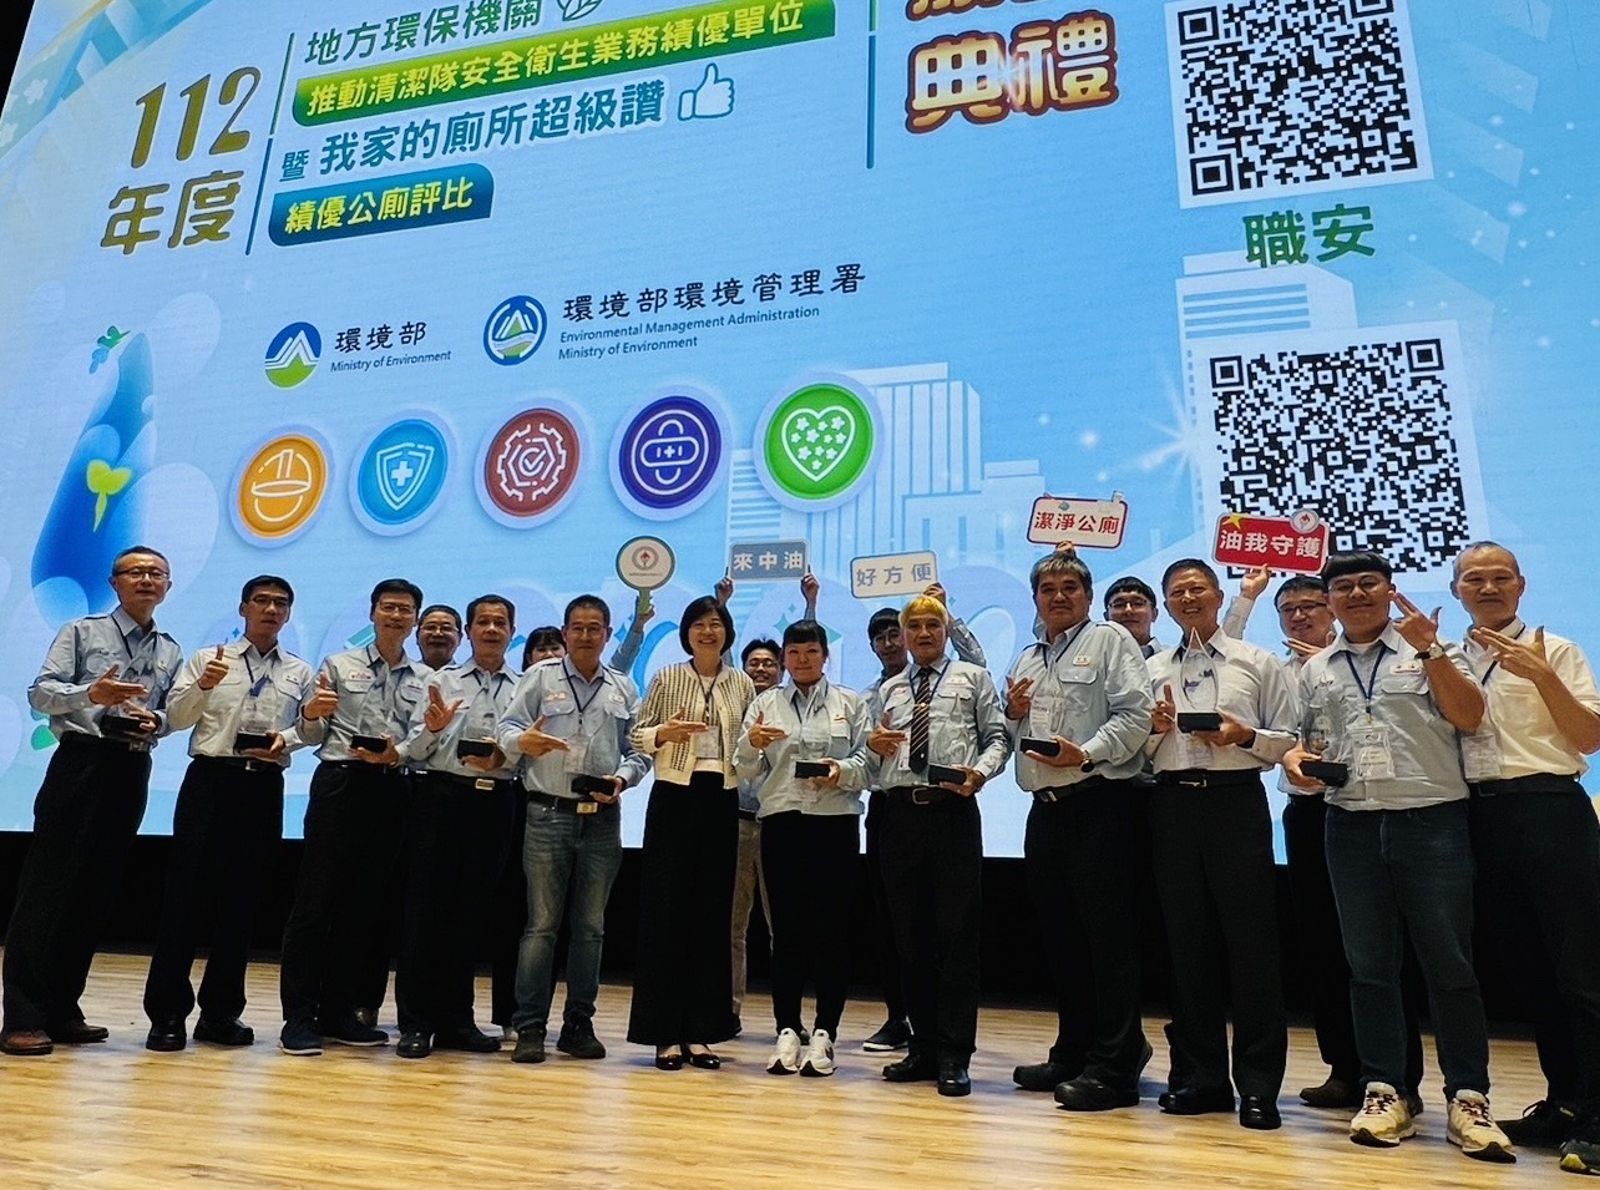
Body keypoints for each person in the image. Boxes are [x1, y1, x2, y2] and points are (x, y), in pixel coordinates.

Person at [1284, 551, 1512, 1160]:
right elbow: (1306, 741)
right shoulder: (1316, 667)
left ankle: (1469, 1097)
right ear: (1330, 600)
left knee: (1450, 967)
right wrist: (1297, 760)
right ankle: (1387, 1089)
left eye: (1369, 583)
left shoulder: (1433, 648)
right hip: (1349, 825)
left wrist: (1430, 650)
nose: (1357, 594)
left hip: (1431, 822)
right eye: (1344, 587)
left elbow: (1469, 715)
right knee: (1369, 968)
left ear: (1390, 590)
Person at [1452, 542, 1600, 1174]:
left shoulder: (1556, 649)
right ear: (1457, 590)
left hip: (1550, 808)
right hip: (1480, 816)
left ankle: (1598, 1115)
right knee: (1530, 972)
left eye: (1500, 578)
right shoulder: (1446, 658)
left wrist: (1541, 676)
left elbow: (1589, 736)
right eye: (1474, 579)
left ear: (1521, 585)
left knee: (1581, 973)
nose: (1488, 588)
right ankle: (1563, 1102)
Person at [1, 546, 183, 1056]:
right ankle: (22, 1016)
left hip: (133, 766)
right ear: (114, 582)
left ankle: (62, 1010)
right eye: (136, 572)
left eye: (156, 573)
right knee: (49, 890)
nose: (146, 580)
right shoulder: (82, 632)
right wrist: (90, 695)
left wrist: (157, 722)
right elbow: (40, 694)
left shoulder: (170, 649)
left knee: (95, 892)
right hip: (81, 763)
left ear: (168, 586)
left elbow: (170, 712)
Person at [1143, 559, 1295, 1129]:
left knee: (1252, 949)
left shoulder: (1257, 660)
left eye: (1197, 589)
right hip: (1171, 805)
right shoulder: (1151, 668)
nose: (1188, 598)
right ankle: (1201, 1080)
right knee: (1187, 948)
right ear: (1166, 604)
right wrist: (1154, 730)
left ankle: (1258, 1087)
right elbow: (1134, 752)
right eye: (1177, 592)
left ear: (1216, 595)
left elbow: (1290, 737)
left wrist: (1244, 735)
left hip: (1235, 803)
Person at [1002, 549, 1154, 1110]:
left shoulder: (1110, 640)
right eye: (1048, 589)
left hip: (1099, 803)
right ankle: (1074, 1051)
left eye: (1070, 587)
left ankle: (1116, 1066)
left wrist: (1085, 754)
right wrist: (1011, 714)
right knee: (1062, 939)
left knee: (1108, 941)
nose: (1059, 596)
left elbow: (1136, 715)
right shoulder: (1027, 656)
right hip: (1044, 809)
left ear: (1088, 596)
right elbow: (1014, 733)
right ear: (1036, 600)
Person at [1271, 576, 1427, 1112]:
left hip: (1367, 809)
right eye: (1288, 609)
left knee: (1380, 949)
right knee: (1321, 943)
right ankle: (1343, 1068)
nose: (1299, 616)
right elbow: (1273, 735)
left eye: (1310, 605)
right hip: (1307, 813)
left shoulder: (1369, 661)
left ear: (1332, 608)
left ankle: (1399, 1077)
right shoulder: (1281, 671)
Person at [142, 575, 315, 1052]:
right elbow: (176, 719)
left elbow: (312, 729)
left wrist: (290, 738)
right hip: (211, 782)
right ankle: (167, 1015)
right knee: (185, 900)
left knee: (242, 903)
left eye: (280, 603)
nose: (271, 609)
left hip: (263, 786)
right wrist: (203, 685)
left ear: (288, 614)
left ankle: (220, 1014)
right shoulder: (208, 659)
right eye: (261, 601)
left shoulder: (299, 671)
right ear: (243, 609)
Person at [277, 578, 429, 1056]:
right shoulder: (338, 665)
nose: (396, 616)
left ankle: (339, 1013)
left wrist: (400, 752)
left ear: (415, 619)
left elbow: (424, 737)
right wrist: (310, 713)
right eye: (388, 607)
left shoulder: (426, 678)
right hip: (341, 784)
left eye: (405, 609)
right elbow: (312, 732)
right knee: (315, 904)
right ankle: (298, 1018)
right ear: (373, 613)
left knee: (363, 908)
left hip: (392, 787)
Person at [867, 594, 1010, 1097]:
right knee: (910, 939)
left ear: (946, 631)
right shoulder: (886, 690)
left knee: (956, 939)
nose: (924, 633)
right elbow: (870, 756)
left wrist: (980, 772)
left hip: (952, 813)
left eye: (933, 625)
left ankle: (954, 1053)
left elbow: (999, 739)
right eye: (915, 627)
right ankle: (922, 1047)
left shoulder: (974, 678)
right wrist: (870, 747)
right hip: (898, 816)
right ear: (904, 636)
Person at [500, 595, 648, 1064]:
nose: (586, 636)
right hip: (547, 813)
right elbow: (506, 729)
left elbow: (639, 750)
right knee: (541, 927)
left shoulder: (623, 687)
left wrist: (622, 778)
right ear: (565, 633)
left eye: (594, 628)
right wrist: (522, 741)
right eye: (578, 628)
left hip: (602, 819)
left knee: (591, 929)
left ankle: (578, 1025)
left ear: (607, 634)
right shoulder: (539, 677)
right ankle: (529, 1027)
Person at [735, 620, 871, 1077]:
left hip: (835, 823)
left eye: (811, 651)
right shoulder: (765, 704)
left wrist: (840, 771)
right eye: (794, 653)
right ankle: (787, 1030)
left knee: (832, 932)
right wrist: (751, 744)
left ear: (824, 655)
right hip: (782, 824)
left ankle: (826, 1032)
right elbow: (744, 768)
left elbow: (869, 763)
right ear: (785, 659)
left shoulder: (850, 703)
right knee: (787, 933)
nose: (802, 660)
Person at [628, 594, 755, 1070]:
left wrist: (757, 744)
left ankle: (702, 1032)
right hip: (673, 797)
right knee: (666, 914)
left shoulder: (742, 682)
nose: (707, 631)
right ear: (686, 632)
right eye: (699, 624)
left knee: (711, 915)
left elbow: (748, 744)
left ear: (727, 633)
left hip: (721, 797)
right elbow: (637, 734)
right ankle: (664, 1033)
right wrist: (665, 733)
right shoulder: (667, 676)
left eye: (716, 623)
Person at [392, 595, 521, 1059]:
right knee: (425, 914)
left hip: (496, 802)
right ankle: (415, 1023)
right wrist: (432, 728)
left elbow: (530, 750)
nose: (492, 629)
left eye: (500, 622)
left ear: (512, 631)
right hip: (441, 798)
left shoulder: (524, 687)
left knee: (471, 915)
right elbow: (412, 749)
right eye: (483, 621)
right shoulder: (439, 681)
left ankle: (457, 1021)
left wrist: (507, 753)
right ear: (469, 632)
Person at [488, 624, 567, 1040]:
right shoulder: (522, 690)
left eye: (555, 647)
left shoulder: (577, 691)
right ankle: (508, 1014)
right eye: (540, 649)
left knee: (548, 916)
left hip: (560, 806)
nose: (549, 654)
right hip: (516, 803)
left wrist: (639, 627)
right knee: (513, 913)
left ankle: (535, 1016)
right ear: (528, 657)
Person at [732, 635, 781, 1032]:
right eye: (754, 663)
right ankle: (727, 1011)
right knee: (732, 925)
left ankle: (788, 1017)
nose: (761, 669)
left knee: (782, 925)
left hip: (777, 825)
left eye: (769, 663)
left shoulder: (786, 708)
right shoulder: (735, 708)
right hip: (736, 823)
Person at [1104, 576, 1164, 658]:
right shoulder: (1095, 660)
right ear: (1106, 617)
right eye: (1119, 605)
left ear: (1154, 614)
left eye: (1138, 603)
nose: (1128, 610)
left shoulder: (1175, 660)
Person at [417, 604, 463, 671]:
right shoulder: (403, 675)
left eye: (446, 628)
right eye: (430, 627)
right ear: (417, 636)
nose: (437, 633)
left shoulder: (471, 676)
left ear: (460, 638)